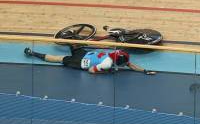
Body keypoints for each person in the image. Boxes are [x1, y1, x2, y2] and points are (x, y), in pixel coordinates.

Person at [24, 46, 155, 74]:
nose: (127, 63)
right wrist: (107, 72)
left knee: (58, 58)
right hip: (85, 53)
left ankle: (33, 53)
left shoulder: (107, 63)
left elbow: (91, 70)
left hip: (79, 62)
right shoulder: (109, 63)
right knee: (73, 43)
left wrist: (144, 70)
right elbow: (93, 71)